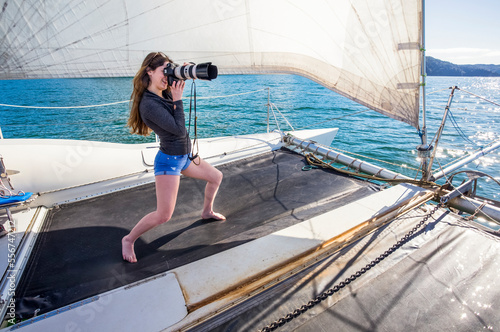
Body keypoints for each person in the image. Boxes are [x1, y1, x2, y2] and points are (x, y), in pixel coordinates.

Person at [122, 52, 225, 263]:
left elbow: (175, 85)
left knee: (216, 177)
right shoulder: (149, 104)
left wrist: (184, 71)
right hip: (169, 161)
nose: (166, 76)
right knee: (163, 215)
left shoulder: (163, 91)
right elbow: (179, 130)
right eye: (163, 71)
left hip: (185, 156)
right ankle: (129, 239)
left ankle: (206, 212)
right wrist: (178, 99)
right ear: (149, 72)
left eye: (169, 70)